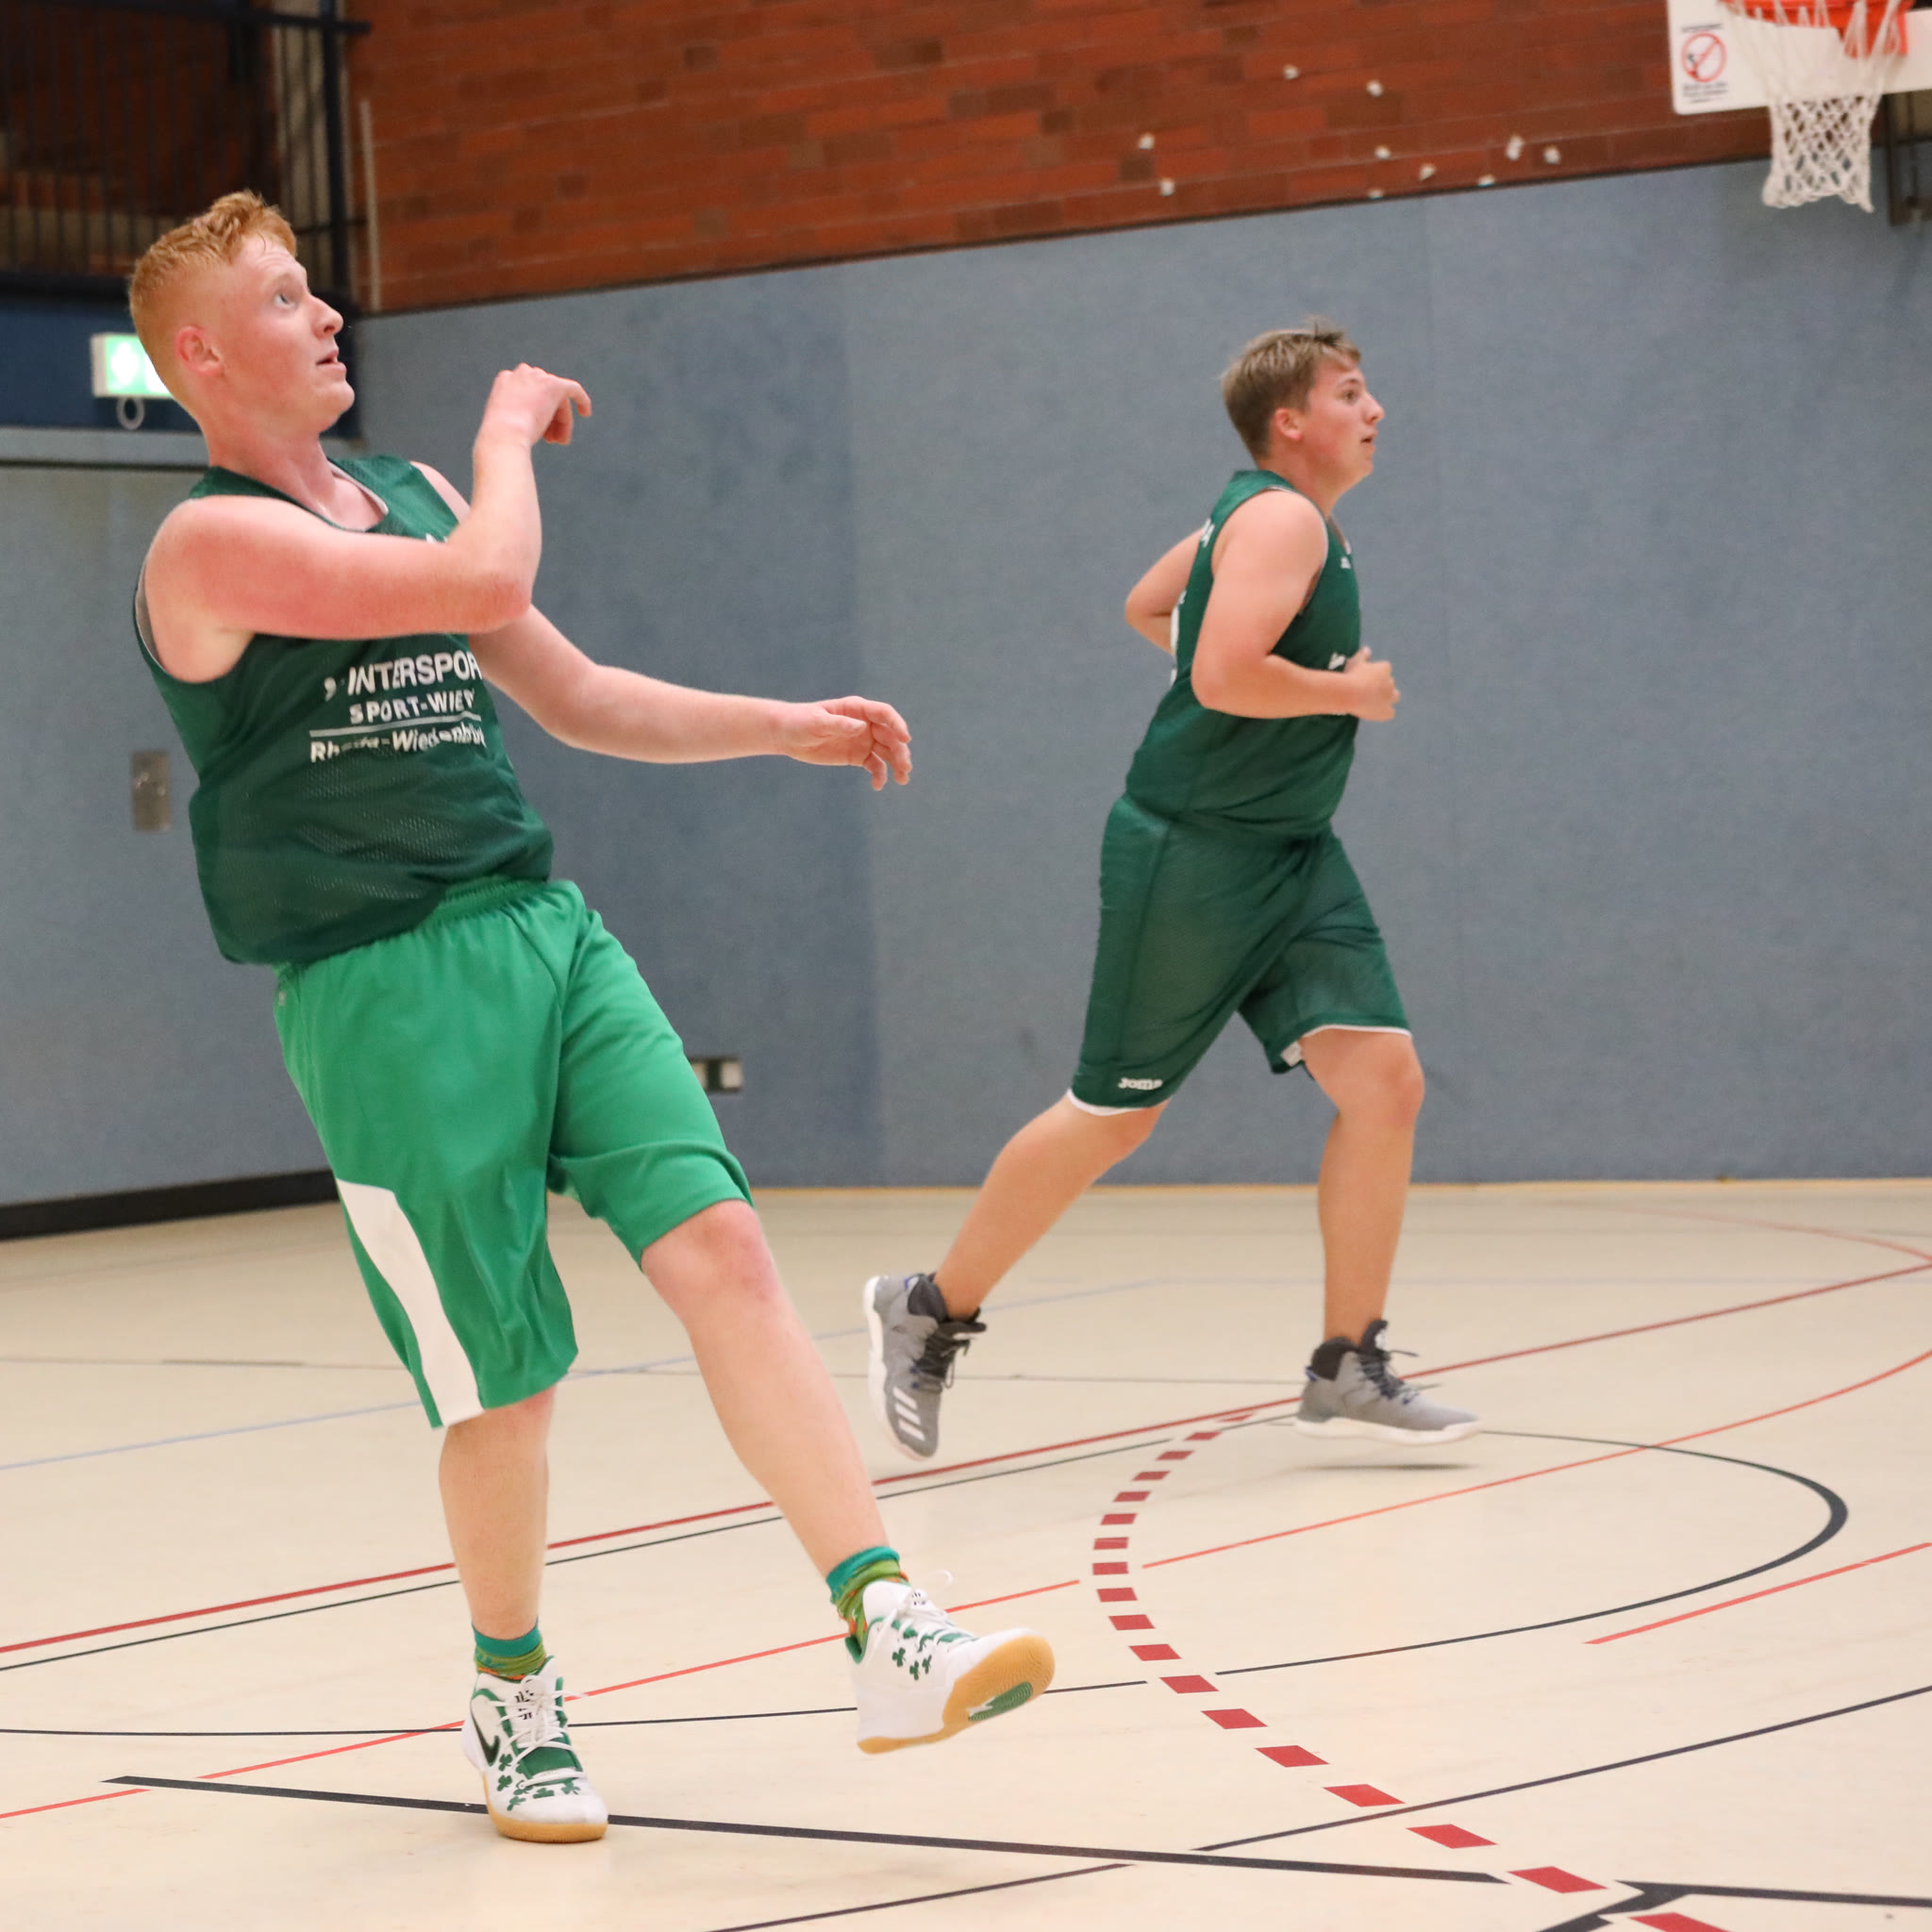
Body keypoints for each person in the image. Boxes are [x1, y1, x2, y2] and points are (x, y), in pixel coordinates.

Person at [126, 192, 1052, 1846]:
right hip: (382, 985)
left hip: (541, 930)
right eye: (282, 299)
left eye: (318, 288)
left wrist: (783, 723)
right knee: (506, 1384)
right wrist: (505, 430)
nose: (325, 314)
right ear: (199, 353)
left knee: (725, 1251)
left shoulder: (410, 497)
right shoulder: (203, 546)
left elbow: (573, 691)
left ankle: (887, 1622)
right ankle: (514, 1691)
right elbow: (490, 566)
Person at [866, 323, 1478, 1464]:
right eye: (1350, 392)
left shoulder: (1262, 520)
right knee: (1115, 1115)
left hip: (1291, 850)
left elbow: (1153, 605)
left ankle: (1345, 1358)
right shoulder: (1281, 520)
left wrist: (1246, 663)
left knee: (1382, 1079)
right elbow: (1218, 669)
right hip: (1192, 854)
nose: (1375, 409)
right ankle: (928, 1305)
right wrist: (1346, 694)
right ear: (1288, 422)